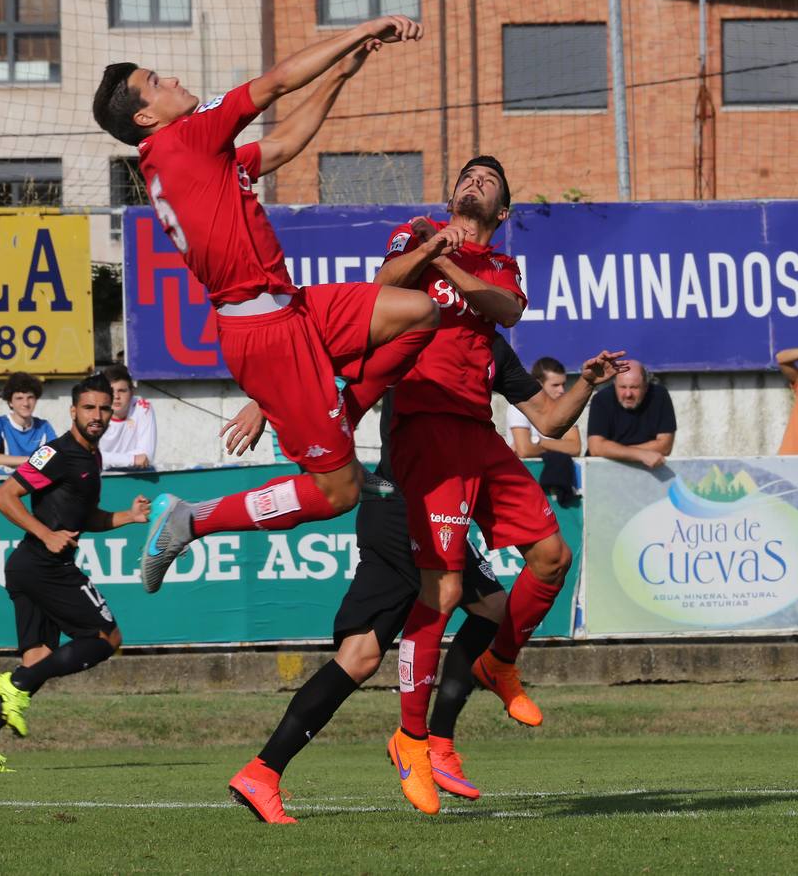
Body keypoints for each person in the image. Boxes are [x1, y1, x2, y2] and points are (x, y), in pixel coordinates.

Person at [92, 16, 442, 591]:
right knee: (340, 496)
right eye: (157, 81)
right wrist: (365, 29)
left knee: (417, 312)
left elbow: (283, 142)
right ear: (145, 116)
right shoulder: (187, 136)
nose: (174, 78)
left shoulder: (194, 157)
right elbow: (278, 81)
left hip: (292, 310)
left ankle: (337, 438)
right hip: (269, 332)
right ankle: (190, 518)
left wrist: (341, 76)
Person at [223, 339, 626, 824]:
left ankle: (263, 771)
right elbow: (323, 359)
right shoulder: (412, 328)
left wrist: (586, 384)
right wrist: (264, 402)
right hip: (404, 509)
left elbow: (550, 419)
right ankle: (433, 743)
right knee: (490, 611)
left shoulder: (489, 344)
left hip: (396, 511)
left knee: (360, 656)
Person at [372, 155, 579, 816]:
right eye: (468, 174)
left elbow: (509, 309)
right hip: (425, 426)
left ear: (503, 211)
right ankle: (412, 738)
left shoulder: (498, 272)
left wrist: (456, 267)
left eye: (489, 179)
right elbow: (385, 285)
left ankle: (499, 662)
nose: (476, 180)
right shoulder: (417, 231)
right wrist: (435, 247)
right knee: (448, 587)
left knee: (552, 556)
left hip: (475, 432)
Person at [0, 374, 151, 773]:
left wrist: (127, 518)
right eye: (89, 408)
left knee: (39, 658)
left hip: (32, 567)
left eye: (104, 408)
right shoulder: (56, 452)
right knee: (106, 638)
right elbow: (3, 496)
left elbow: (84, 518)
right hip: (42, 565)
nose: (97, 415)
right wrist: (45, 534)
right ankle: (16, 684)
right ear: (73, 412)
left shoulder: (92, 457)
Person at [508, 357, 582, 501]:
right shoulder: (518, 406)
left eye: (563, 384)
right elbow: (525, 450)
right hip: (523, 485)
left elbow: (575, 447)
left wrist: (538, 442)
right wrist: (559, 446)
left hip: (558, 487)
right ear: (538, 384)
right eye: (555, 385)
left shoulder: (566, 407)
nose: (561, 390)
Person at [586, 360, 677, 469]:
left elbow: (665, 446)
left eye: (634, 387)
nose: (628, 394)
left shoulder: (659, 396)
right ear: (615, 384)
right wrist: (639, 454)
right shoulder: (601, 399)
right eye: (623, 387)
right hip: (604, 470)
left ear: (646, 386)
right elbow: (596, 448)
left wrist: (613, 450)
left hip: (648, 471)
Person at [0, 372, 56, 467]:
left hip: (35, 480)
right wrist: (32, 460)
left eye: (30, 397)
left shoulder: (44, 426)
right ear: (10, 402)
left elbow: (55, 458)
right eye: (19, 398)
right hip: (6, 480)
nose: (25, 403)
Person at [99, 365, 157, 470]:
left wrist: (108, 459)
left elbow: (146, 456)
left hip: (135, 477)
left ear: (132, 392)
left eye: (122, 390)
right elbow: (89, 456)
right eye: (110, 391)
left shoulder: (143, 407)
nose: (116, 396)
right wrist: (132, 459)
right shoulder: (93, 411)